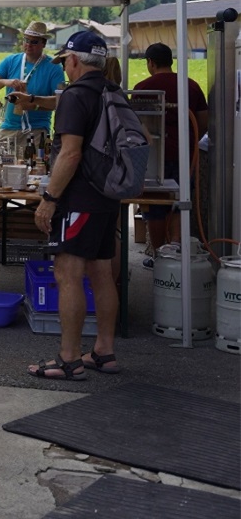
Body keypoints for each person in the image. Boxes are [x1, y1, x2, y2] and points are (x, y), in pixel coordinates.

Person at [30, 31, 123, 381]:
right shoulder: (113, 91)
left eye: (65, 62)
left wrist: (49, 200)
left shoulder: (75, 95)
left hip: (79, 198)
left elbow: (70, 153)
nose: (65, 69)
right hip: (107, 196)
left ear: (74, 60)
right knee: (101, 274)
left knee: (67, 275)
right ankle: (103, 351)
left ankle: (68, 358)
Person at [133, 42, 209, 264]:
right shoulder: (191, 86)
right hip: (185, 156)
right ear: (171, 61)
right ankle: (175, 248)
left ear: (151, 62)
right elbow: (203, 123)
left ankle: (158, 255)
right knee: (178, 201)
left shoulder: (142, 88)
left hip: (154, 158)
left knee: (155, 205)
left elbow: (135, 126)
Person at [0, 22, 66, 153]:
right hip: (8, 129)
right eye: (26, 40)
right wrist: (6, 82)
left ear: (43, 44)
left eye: (34, 41)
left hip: (37, 131)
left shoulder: (54, 67)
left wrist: (33, 102)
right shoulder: (11, 61)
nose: (28, 44)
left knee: (34, 171)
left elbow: (61, 101)